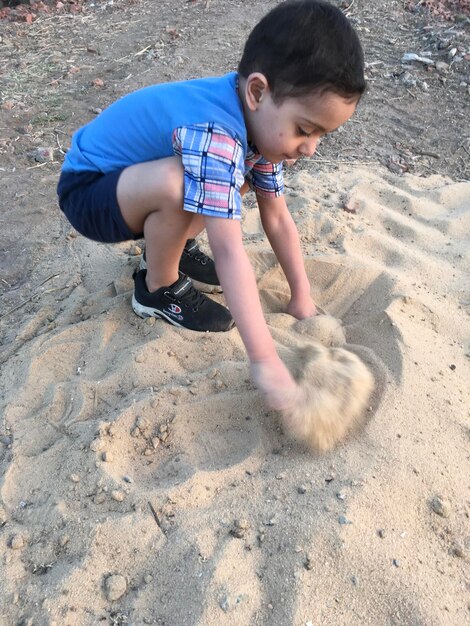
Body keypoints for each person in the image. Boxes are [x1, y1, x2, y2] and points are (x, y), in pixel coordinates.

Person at [57, 0, 365, 412]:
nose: (309, 149)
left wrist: (301, 296)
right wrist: (265, 361)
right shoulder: (217, 135)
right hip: (89, 191)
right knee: (181, 183)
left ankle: (174, 243)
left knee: (226, 182)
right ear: (257, 91)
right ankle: (157, 288)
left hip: (128, 187)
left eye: (321, 135)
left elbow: (276, 217)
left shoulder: (262, 129)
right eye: (305, 130)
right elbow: (228, 248)